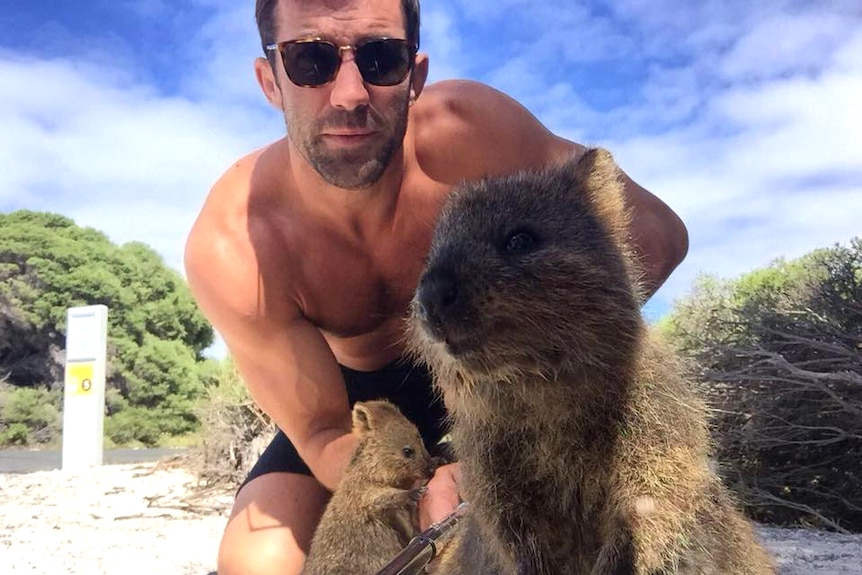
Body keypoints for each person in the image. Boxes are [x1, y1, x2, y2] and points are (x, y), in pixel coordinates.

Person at [184, 0, 689, 574]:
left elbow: (657, 233)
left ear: (414, 76)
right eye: (311, 61)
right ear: (270, 79)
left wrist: (518, 397)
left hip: (509, 370)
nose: (350, 93)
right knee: (255, 560)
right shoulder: (236, 246)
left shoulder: (470, 130)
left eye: (380, 58)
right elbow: (323, 430)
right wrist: (424, 475)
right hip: (362, 404)